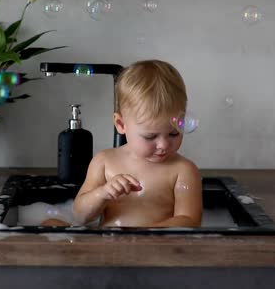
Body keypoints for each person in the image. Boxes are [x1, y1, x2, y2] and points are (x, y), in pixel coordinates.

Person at [70, 59, 202, 227]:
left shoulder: (183, 170)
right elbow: (79, 216)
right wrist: (102, 194)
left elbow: (189, 221)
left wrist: (141, 235)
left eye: (173, 133)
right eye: (150, 136)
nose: (163, 144)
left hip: (158, 248)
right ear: (121, 125)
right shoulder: (104, 162)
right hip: (108, 248)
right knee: (51, 224)